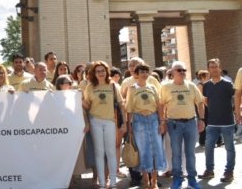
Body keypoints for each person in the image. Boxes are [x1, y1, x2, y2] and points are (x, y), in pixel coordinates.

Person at [160, 61, 205, 189]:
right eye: (179, 70)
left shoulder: (191, 86)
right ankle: (177, 179)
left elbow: (200, 103)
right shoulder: (166, 88)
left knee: (190, 152)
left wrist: (201, 119)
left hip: (191, 122)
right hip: (174, 124)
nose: (182, 72)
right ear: (172, 73)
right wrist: (163, 122)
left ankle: (192, 180)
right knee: (176, 153)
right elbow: (162, 105)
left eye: (184, 70)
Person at [82, 61, 126, 189]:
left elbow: (121, 104)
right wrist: (80, 99)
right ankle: (101, 182)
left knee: (111, 152)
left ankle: (112, 182)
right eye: (98, 71)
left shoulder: (113, 86)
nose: (100, 73)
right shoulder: (90, 87)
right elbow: (88, 106)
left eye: (102, 70)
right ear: (93, 73)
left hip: (110, 121)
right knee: (99, 153)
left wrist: (124, 123)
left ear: (107, 72)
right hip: (95, 121)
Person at [121, 57, 162, 187]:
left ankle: (154, 181)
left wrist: (162, 121)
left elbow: (159, 103)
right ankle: (142, 179)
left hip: (153, 119)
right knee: (141, 150)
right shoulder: (130, 86)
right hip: (138, 120)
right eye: (141, 72)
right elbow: (126, 106)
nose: (144, 74)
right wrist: (128, 125)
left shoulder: (153, 84)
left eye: (146, 71)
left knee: (155, 149)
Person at [198, 59, 235, 182]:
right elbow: (205, 100)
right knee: (208, 147)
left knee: (229, 148)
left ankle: (229, 172)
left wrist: (233, 110)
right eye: (212, 67)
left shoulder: (228, 84)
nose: (214, 69)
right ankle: (209, 170)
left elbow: (236, 98)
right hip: (212, 123)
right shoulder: (207, 85)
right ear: (208, 69)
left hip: (227, 122)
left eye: (216, 67)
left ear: (220, 68)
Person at [55, 74, 90, 185]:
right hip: (60, 134)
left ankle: (71, 182)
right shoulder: (54, 97)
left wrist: (87, 123)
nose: (71, 85)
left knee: (74, 157)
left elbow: (84, 110)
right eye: (69, 83)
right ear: (60, 85)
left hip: (74, 133)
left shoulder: (76, 96)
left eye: (72, 83)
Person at [196, 70, 210, 146]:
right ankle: (202, 140)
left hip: (208, 105)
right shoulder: (200, 85)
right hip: (203, 106)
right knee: (204, 122)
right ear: (202, 77)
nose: (208, 77)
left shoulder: (208, 84)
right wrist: (208, 105)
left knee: (209, 122)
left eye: (208, 76)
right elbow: (201, 97)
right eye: (206, 76)